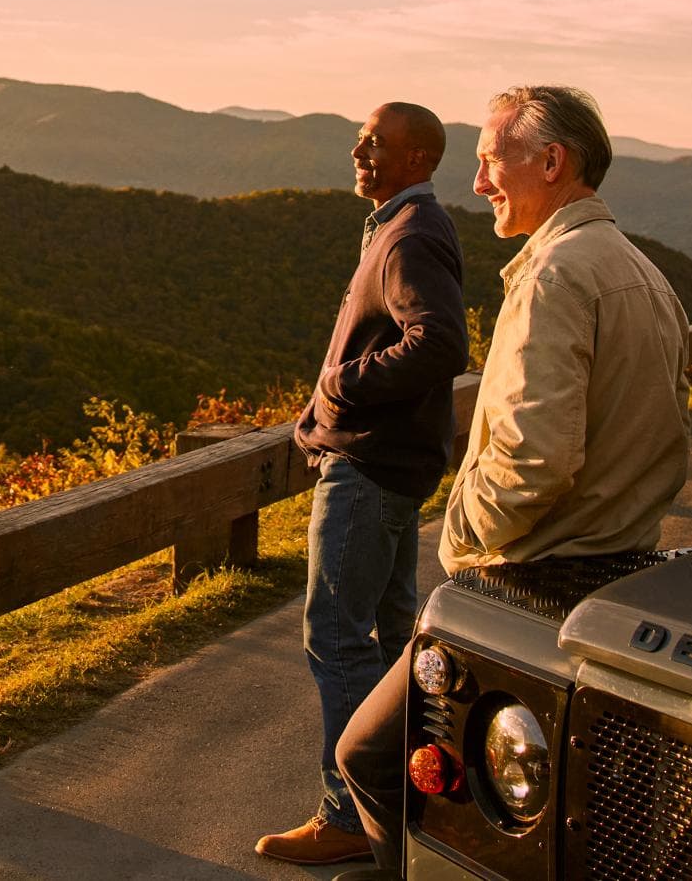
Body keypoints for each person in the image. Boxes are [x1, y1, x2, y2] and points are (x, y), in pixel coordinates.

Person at [329, 85, 691, 880]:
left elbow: (534, 460)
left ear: (552, 161)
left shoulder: (555, 275)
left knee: (372, 754)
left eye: (491, 161)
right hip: (621, 573)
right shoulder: (642, 274)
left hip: (531, 579)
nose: (480, 182)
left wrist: (460, 542)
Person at [256, 102, 469, 867]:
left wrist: (341, 386)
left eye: (374, 142)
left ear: (416, 158)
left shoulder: (410, 233)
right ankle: (399, 800)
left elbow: (440, 341)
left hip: (368, 470)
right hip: (383, 466)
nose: (357, 149)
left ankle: (347, 814)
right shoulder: (399, 226)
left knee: (338, 639)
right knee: (384, 640)